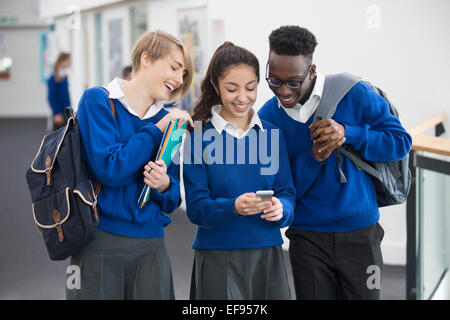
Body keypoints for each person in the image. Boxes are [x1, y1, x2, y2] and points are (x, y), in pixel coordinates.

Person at [258, 25, 412, 300]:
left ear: (312, 71)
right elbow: (280, 186)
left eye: (293, 82)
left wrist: (348, 133)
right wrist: (314, 158)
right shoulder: (268, 117)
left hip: (361, 233)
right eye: (273, 80)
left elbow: (400, 142)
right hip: (307, 238)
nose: (282, 91)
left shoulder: (355, 94)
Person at [67, 30, 194, 300]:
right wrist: (155, 130)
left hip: (151, 247)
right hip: (98, 244)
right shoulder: (97, 100)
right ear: (146, 59)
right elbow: (109, 168)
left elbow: (173, 199)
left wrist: (164, 184)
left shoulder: (167, 119)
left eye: (183, 73)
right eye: (174, 67)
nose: (178, 79)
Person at [183, 42, 295, 300]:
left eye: (251, 88)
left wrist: (282, 209)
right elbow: (197, 208)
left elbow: (287, 192)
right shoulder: (197, 137)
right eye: (232, 89)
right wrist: (233, 207)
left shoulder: (270, 135)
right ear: (215, 85)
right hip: (218, 258)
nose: (243, 98)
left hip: (267, 255)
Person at [47, 52, 71, 131]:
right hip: (59, 114)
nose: (70, 63)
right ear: (62, 61)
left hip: (66, 112)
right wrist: (56, 113)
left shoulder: (64, 76)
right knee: (58, 139)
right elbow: (51, 97)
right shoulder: (53, 78)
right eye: (68, 61)